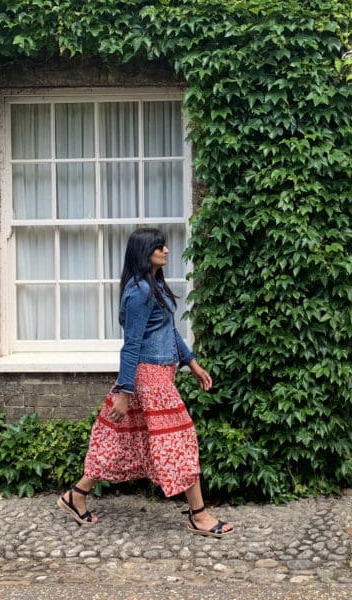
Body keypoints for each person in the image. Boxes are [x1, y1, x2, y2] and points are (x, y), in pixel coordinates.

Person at [57, 227, 234, 538]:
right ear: (144, 252)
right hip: (148, 378)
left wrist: (192, 363)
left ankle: (76, 494)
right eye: (159, 247)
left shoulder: (156, 287)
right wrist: (125, 392)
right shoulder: (138, 291)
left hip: (160, 374)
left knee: (120, 442)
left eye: (165, 246)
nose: (166, 251)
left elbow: (169, 331)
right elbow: (132, 344)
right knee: (180, 439)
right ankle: (199, 514)